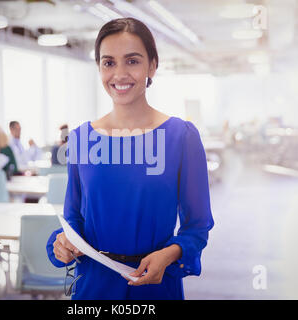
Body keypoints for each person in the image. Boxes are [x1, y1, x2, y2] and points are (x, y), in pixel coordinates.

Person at [46, 18, 214, 300]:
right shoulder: (82, 138)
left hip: (154, 286)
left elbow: (197, 226)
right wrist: (62, 242)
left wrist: (169, 254)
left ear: (152, 66)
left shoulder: (181, 136)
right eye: (108, 63)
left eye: (132, 61)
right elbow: (74, 217)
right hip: (94, 286)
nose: (119, 74)